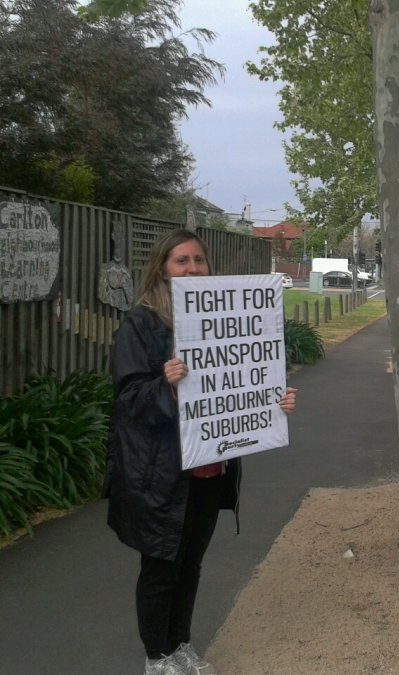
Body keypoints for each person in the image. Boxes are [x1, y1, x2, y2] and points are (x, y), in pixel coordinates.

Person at [104, 229, 297, 675]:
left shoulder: (226, 314)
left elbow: (244, 378)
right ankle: (156, 657)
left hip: (212, 467)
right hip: (163, 472)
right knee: (161, 567)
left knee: (190, 564)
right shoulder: (143, 323)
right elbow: (129, 398)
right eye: (181, 261)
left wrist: (274, 400)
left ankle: (181, 645)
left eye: (199, 261)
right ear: (162, 267)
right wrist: (165, 385)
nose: (192, 269)